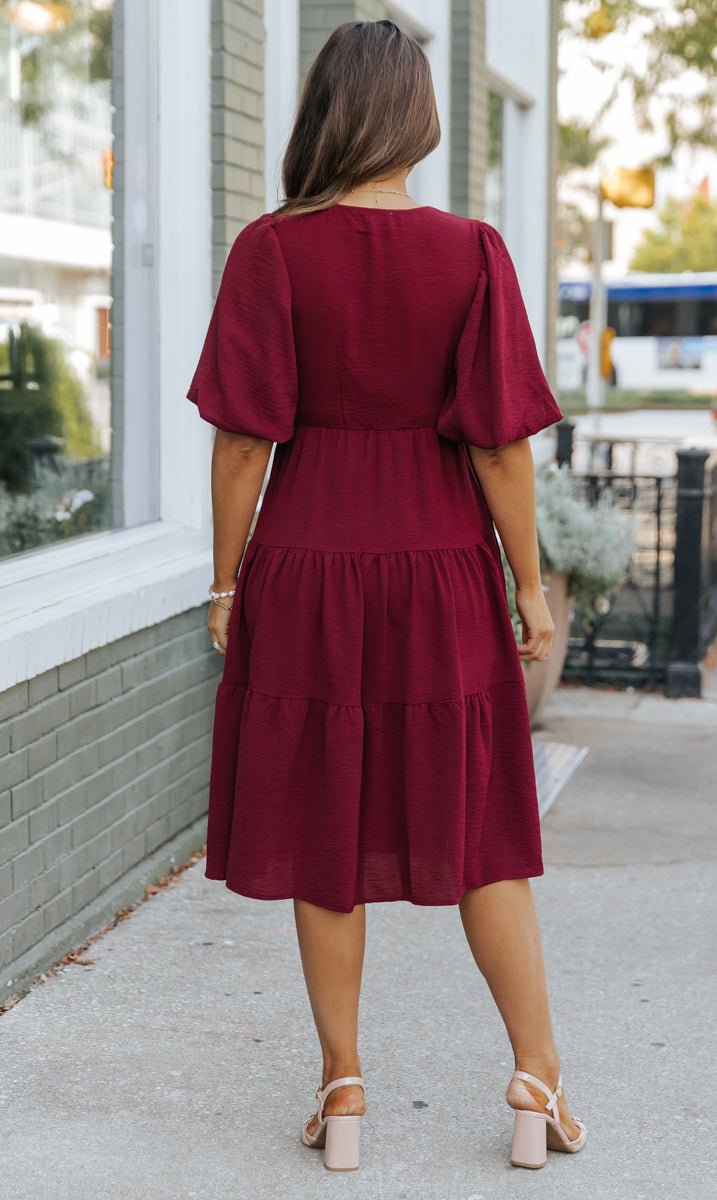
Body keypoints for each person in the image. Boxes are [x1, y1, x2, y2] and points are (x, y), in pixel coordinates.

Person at [186, 18, 586, 1174]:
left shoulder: (270, 250)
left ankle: (344, 1089)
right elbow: (501, 450)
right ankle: (534, 1078)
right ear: (417, 117)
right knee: (480, 830)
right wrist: (529, 586)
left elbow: (241, 447)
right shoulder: (470, 253)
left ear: (323, 112)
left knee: (322, 829)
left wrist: (227, 581)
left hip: (306, 566)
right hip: (440, 569)